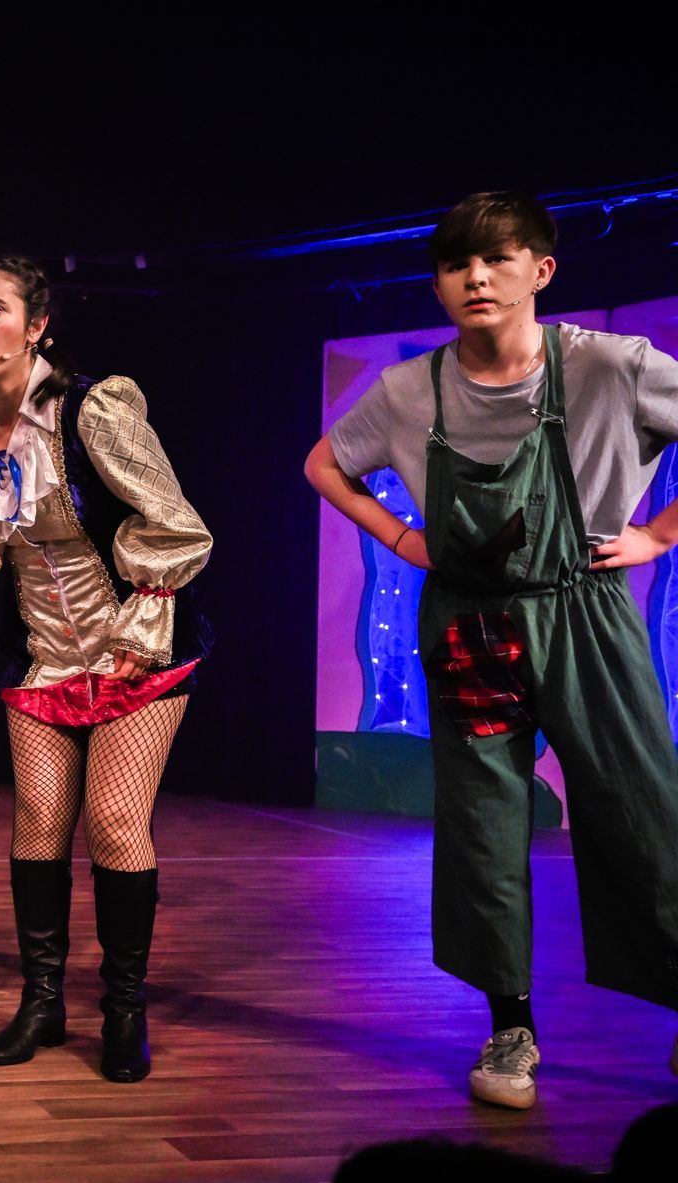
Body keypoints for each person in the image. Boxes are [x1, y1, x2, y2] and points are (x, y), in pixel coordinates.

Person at [305, 192, 678, 1109]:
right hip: (469, 623)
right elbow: (325, 464)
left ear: (540, 271)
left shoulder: (611, 365)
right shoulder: (410, 389)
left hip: (584, 613)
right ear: (437, 283)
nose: (475, 277)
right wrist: (401, 538)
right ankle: (511, 1028)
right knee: (483, 825)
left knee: (642, 812)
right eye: (455, 263)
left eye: (497, 258)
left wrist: (659, 534)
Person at [0, 256, 212, 1083]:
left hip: (133, 641)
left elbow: (174, 522)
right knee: (37, 819)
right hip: (41, 653)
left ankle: (125, 1006)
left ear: (35, 326)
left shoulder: (92, 409)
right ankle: (41, 1001)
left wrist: (145, 615)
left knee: (115, 821)